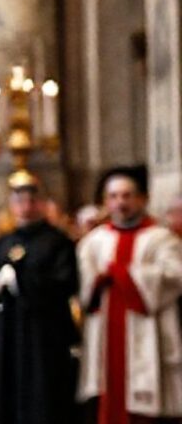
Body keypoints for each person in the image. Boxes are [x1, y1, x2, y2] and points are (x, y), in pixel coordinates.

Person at [77, 168, 182, 422]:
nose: (120, 203)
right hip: (106, 329)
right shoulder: (94, 241)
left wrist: (123, 273)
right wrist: (99, 280)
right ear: (105, 202)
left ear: (142, 199)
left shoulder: (162, 239)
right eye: (113, 196)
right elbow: (86, 288)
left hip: (148, 330)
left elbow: (174, 276)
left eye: (127, 196)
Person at [0, 172, 79, 424]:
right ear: (11, 205)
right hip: (9, 331)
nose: (25, 207)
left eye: (31, 201)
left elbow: (66, 283)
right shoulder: (2, 243)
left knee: (42, 390)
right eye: (19, 201)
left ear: (42, 204)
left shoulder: (58, 242)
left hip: (44, 331)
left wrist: (22, 282)